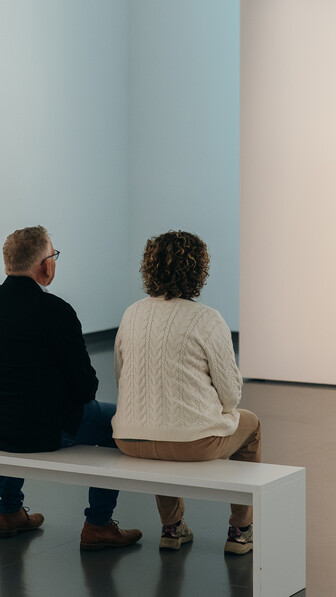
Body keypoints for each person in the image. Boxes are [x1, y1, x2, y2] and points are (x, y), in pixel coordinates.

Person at [0, 226, 142, 550]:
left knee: (13, 405)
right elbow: (85, 388)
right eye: (54, 256)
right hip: (40, 429)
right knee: (119, 421)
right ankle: (98, 524)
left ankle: (9, 510)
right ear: (45, 266)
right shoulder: (56, 310)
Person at [111, 231, 261, 555]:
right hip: (194, 443)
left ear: (149, 267)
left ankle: (172, 527)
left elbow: (121, 377)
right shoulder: (207, 319)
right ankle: (240, 530)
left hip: (129, 439)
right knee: (251, 425)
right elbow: (231, 396)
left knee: (159, 421)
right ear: (198, 271)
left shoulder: (131, 313)